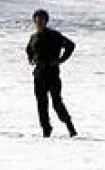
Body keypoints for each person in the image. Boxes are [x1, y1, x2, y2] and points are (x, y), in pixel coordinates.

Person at [27, 9, 77, 138]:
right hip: (39, 74)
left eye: (42, 20)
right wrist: (31, 59)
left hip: (52, 74)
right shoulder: (34, 37)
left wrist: (60, 60)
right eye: (37, 20)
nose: (39, 23)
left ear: (46, 21)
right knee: (41, 104)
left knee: (57, 102)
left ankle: (70, 126)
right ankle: (46, 129)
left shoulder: (54, 35)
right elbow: (28, 49)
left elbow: (70, 45)